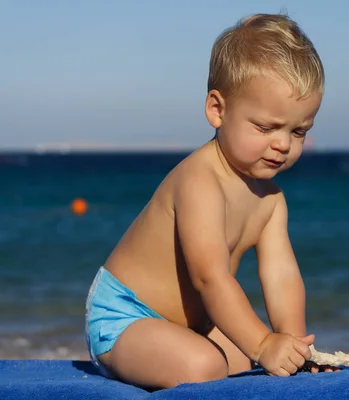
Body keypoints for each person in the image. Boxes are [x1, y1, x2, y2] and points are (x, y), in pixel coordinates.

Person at [85, 12, 328, 389]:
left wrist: (294, 347)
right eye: (265, 127)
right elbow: (209, 277)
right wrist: (264, 343)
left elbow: (281, 276)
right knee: (205, 366)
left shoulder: (271, 201)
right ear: (218, 110)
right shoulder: (200, 181)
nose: (283, 144)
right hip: (126, 317)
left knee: (245, 362)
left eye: (298, 131)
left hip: (192, 326)